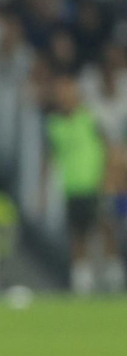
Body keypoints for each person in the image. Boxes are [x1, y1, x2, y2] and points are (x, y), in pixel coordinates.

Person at [47, 75, 119, 293]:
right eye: (60, 94)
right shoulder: (54, 124)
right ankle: (82, 279)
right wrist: (44, 191)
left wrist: (109, 178)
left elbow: (108, 147)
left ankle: (113, 272)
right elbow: (51, 157)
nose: (64, 98)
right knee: (77, 234)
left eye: (67, 93)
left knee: (105, 227)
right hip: (71, 187)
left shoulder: (90, 117)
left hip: (95, 184)